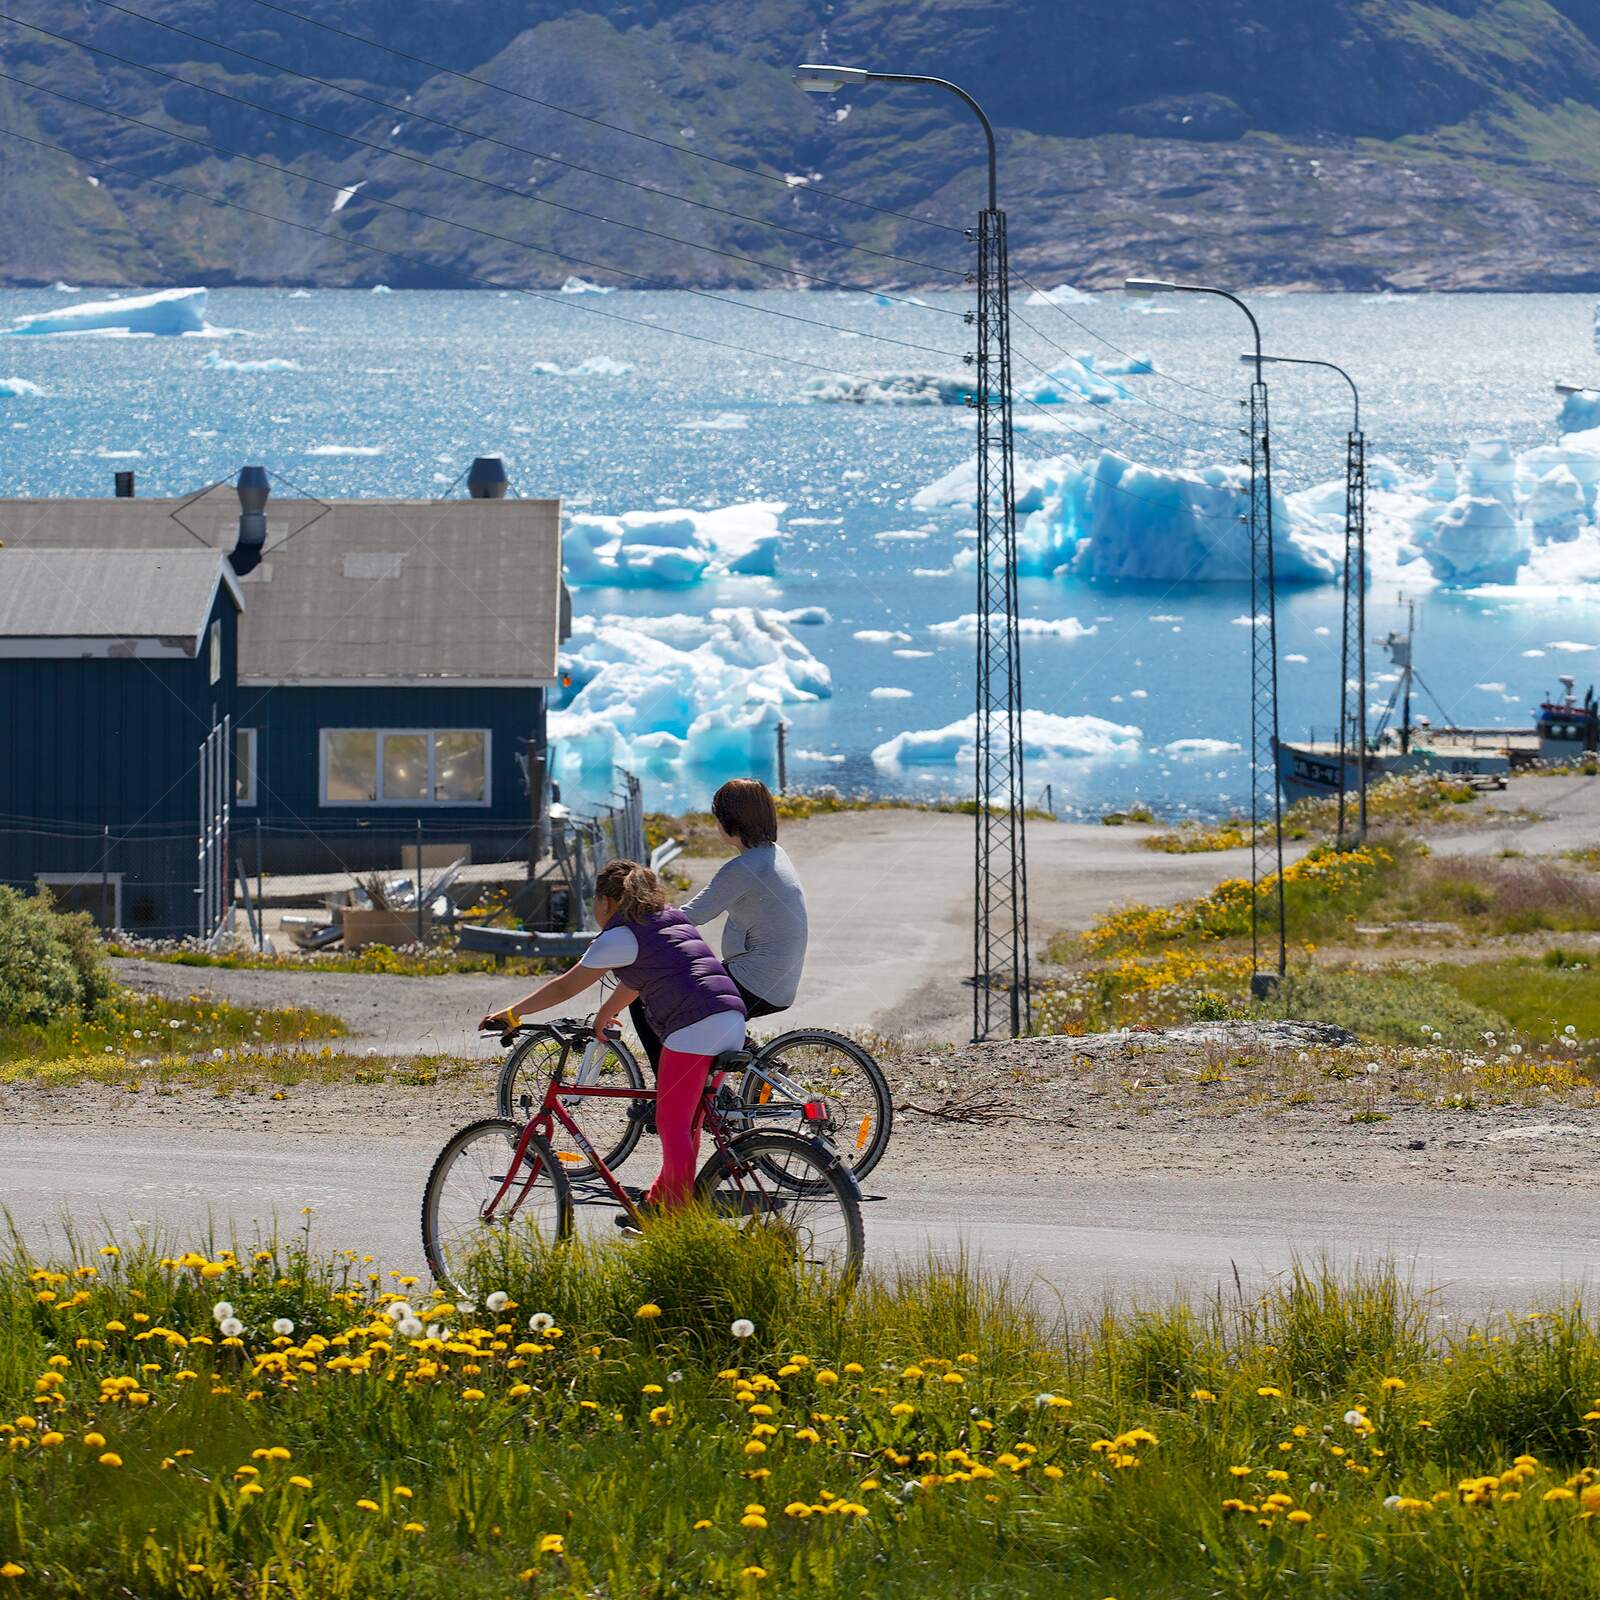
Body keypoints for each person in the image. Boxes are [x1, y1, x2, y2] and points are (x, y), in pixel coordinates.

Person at [480, 858, 746, 1214]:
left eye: (594, 903)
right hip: (730, 1019)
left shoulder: (620, 935)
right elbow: (637, 980)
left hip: (693, 1026)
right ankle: (660, 1203)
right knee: (688, 1124)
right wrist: (606, 1014)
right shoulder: (668, 918)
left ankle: (679, 1223)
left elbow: (565, 986)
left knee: (671, 1123)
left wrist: (514, 1013)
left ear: (605, 901)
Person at [628, 778, 808, 1071]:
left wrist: (634, 927)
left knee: (647, 996)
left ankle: (668, 1094)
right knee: (690, 993)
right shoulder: (773, 854)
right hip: (775, 980)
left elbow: (688, 917)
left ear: (727, 821)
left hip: (756, 982)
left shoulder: (744, 868)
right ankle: (745, 1058)